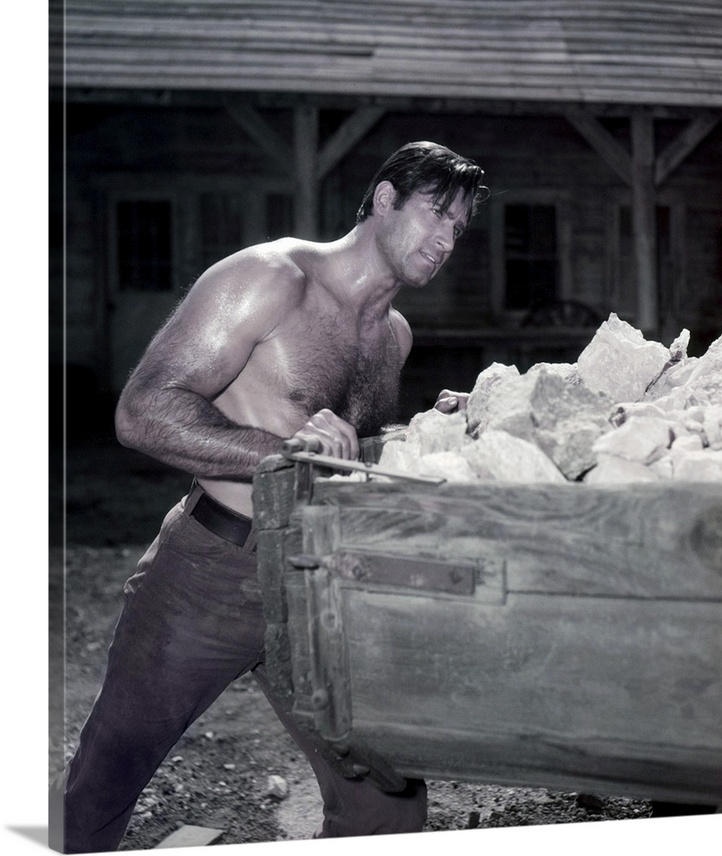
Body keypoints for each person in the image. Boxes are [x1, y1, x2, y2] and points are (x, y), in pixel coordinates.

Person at [59, 140, 488, 852]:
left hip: (322, 579)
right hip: (213, 570)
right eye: (437, 213)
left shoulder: (394, 336)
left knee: (384, 798)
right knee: (103, 784)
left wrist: (435, 430)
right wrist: (281, 453)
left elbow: (346, 455)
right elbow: (143, 413)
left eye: (460, 227)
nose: (447, 239)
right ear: (385, 199)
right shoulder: (270, 278)